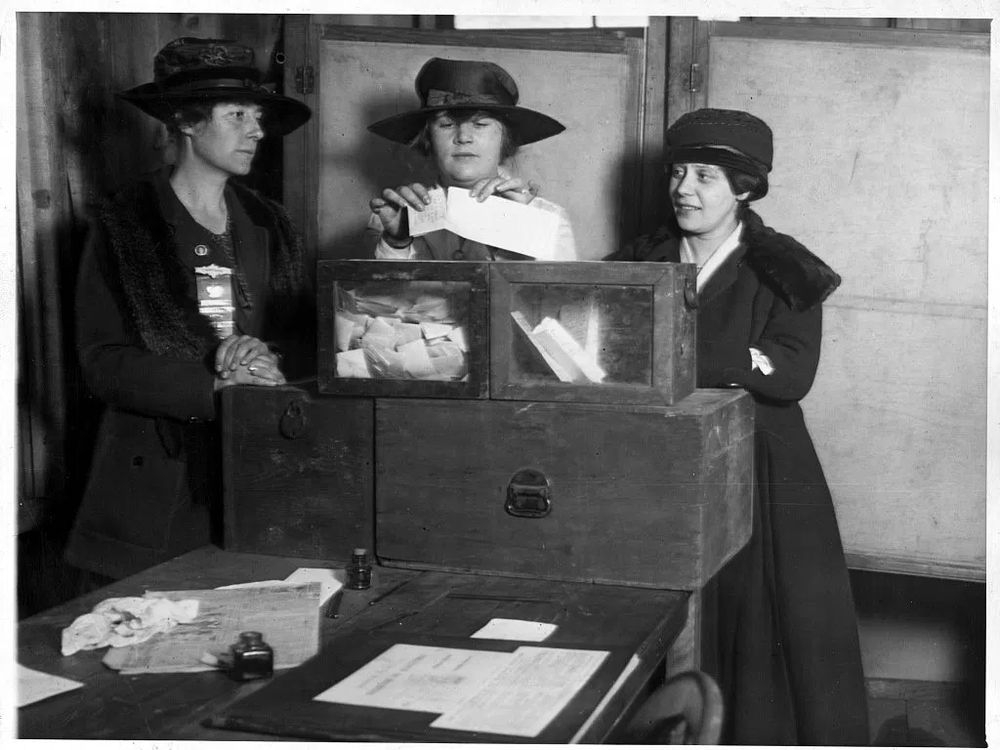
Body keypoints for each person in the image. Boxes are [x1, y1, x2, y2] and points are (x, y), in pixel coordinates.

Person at [608, 108, 869, 745]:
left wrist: (692, 355)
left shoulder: (786, 268)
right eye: (677, 172)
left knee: (761, 619)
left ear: (745, 188)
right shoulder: (641, 259)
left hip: (759, 465)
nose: (683, 189)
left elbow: (789, 375)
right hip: (660, 457)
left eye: (705, 176)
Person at [65, 37, 315, 583]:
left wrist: (266, 359)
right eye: (237, 115)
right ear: (185, 121)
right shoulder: (123, 225)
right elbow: (101, 362)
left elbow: (302, 339)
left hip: (260, 469)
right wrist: (215, 386)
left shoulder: (271, 223)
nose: (257, 130)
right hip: (160, 484)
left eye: (258, 115)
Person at [365, 57, 576, 261]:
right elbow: (369, 297)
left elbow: (557, 296)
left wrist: (516, 229)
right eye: (446, 124)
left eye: (481, 124)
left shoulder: (547, 218)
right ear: (427, 138)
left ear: (505, 139)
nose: (463, 137)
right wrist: (396, 242)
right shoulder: (392, 218)